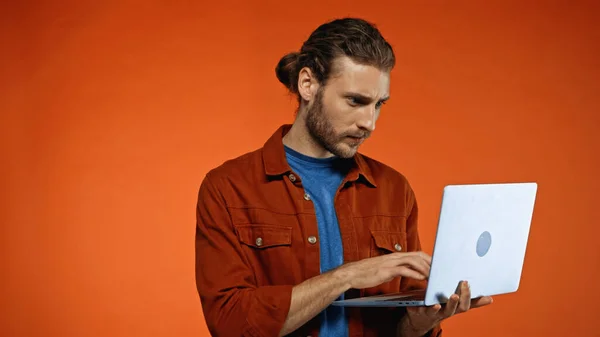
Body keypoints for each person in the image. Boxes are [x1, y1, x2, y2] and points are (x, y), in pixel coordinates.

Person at [194, 17, 493, 337]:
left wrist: (423, 321)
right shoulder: (228, 186)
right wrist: (345, 276)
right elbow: (229, 324)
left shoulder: (393, 189)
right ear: (307, 84)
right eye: (355, 101)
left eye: (379, 105)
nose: (369, 122)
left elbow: (403, 327)